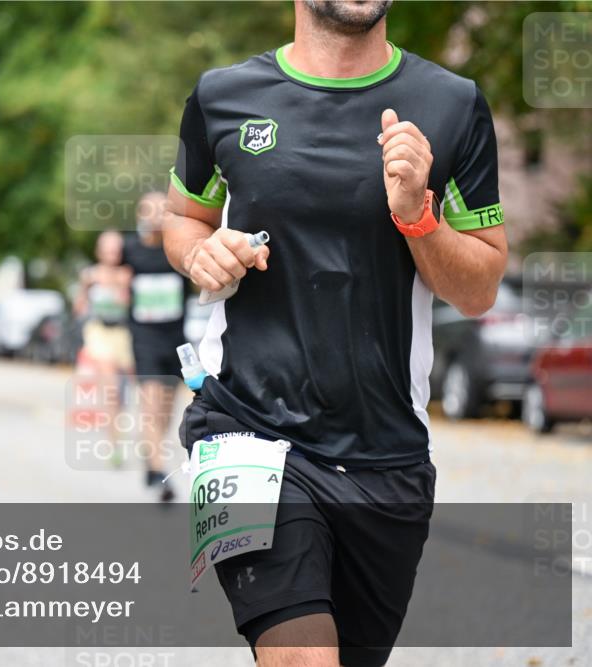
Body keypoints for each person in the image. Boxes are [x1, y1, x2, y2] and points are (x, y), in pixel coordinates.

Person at [163, 2, 507, 666]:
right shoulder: (220, 97)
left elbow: (480, 286)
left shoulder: (453, 105)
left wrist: (418, 217)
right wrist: (197, 252)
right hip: (240, 427)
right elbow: (184, 216)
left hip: (386, 455)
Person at [123, 192, 190, 502]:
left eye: (163, 210)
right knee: (150, 407)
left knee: (165, 411)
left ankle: (151, 461)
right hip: (144, 339)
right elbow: (112, 277)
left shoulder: (177, 250)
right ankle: (160, 471)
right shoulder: (130, 251)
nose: (156, 216)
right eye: (150, 210)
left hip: (175, 339)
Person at [76, 230, 134, 465]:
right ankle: (114, 445)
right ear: (99, 251)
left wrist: (119, 286)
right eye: (108, 249)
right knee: (110, 390)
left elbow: (131, 304)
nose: (112, 253)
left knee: (127, 392)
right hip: (99, 333)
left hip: (124, 334)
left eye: (116, 249)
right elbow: (79, 306)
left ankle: (143, 438)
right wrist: (86, 290)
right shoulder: (90, 276)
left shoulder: (127, 275)